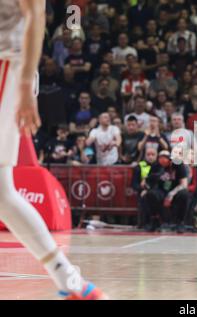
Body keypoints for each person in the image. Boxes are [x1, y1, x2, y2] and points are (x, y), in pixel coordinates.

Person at [0, 0, 104, 299]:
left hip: (5, 62)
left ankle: (72, 282)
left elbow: (35, 12)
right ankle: (71, 283)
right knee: (3, 195)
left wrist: (23, 84)